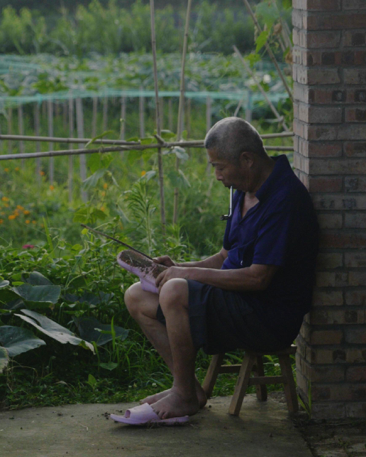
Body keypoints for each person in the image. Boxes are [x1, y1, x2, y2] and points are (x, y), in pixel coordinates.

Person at [120, 117, 319, 422]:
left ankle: (184, 396)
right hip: (236, 303)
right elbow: (226, 256)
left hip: (266, 316)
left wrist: (185, 276)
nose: (217, 176)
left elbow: (258, 278)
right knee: (137, 296)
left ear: (247, 160)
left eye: (220, 167)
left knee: (174, 291)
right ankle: (188, 387)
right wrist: (178, 267)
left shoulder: (285, 199)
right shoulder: (244, 190)